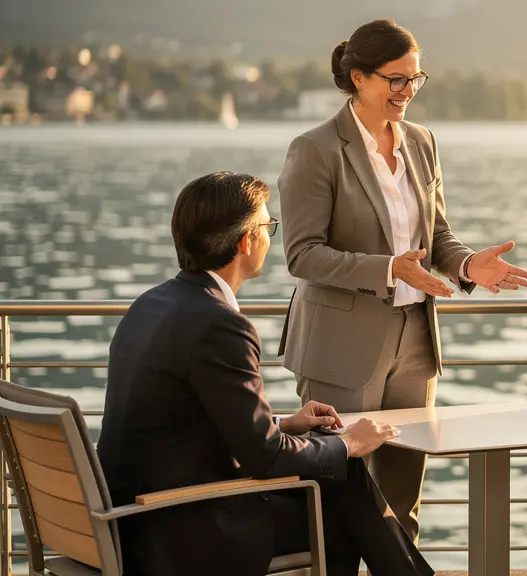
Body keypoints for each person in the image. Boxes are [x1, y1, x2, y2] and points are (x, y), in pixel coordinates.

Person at [97, 172, 433, 576]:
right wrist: (348, 444)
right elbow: (266, 458)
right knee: (342, 488)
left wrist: (284, 423)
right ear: (246, 241)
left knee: (339, 478)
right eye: (268, 225)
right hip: (182, 527)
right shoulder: (220, 325)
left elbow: (185, 422)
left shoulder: (149, 305)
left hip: (136, 518)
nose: (271, 235)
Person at [276, 18, 527, 541]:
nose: (408, 91)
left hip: (415, 338)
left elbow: (436, 236)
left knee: (402, 502)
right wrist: (387, 268)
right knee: (336, 503)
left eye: (416, 78)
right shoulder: (315, 149)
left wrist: (466, 267)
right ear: (359, 78)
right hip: (339, 346)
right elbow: (303, 255)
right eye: (396, 79)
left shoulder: (422, 142)